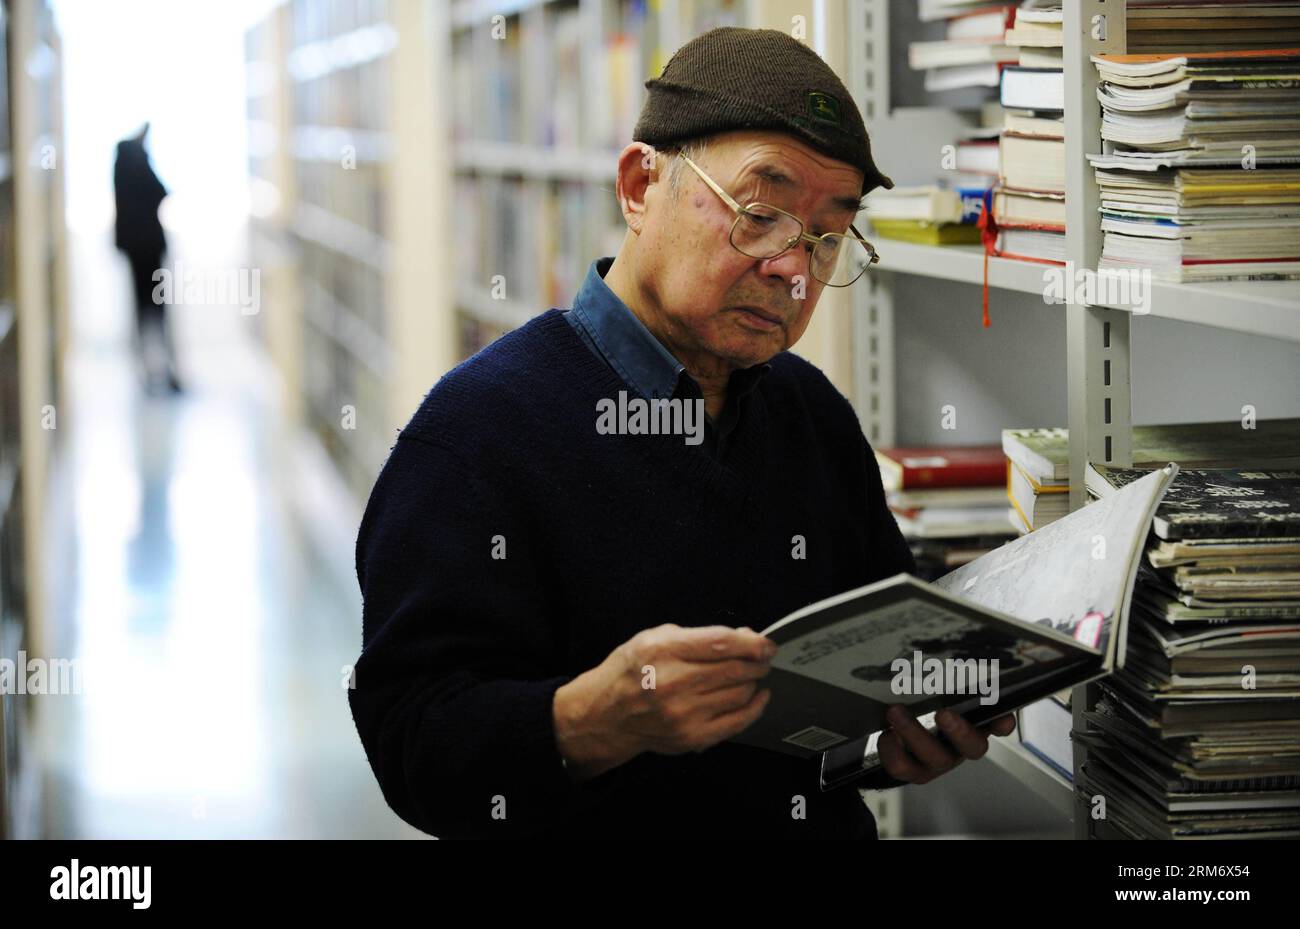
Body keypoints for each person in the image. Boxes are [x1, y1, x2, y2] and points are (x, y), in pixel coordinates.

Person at [349, 27, 1015, 839]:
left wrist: (903, 735)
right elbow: (410, 740)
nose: (793, 269)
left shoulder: (812, 414)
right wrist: (590, 719)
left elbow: (861, 685)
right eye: (761, 213)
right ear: (639, 185)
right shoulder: (475, 433)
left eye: (826, 236)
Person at [114, 122, 181, 393]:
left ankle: (153, 372)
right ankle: (161, 372)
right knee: (156, 313)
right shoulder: (136, 161)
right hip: (149, 252)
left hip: (138, 251)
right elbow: (160, 191)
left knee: (144, 313)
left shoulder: (123, 164)